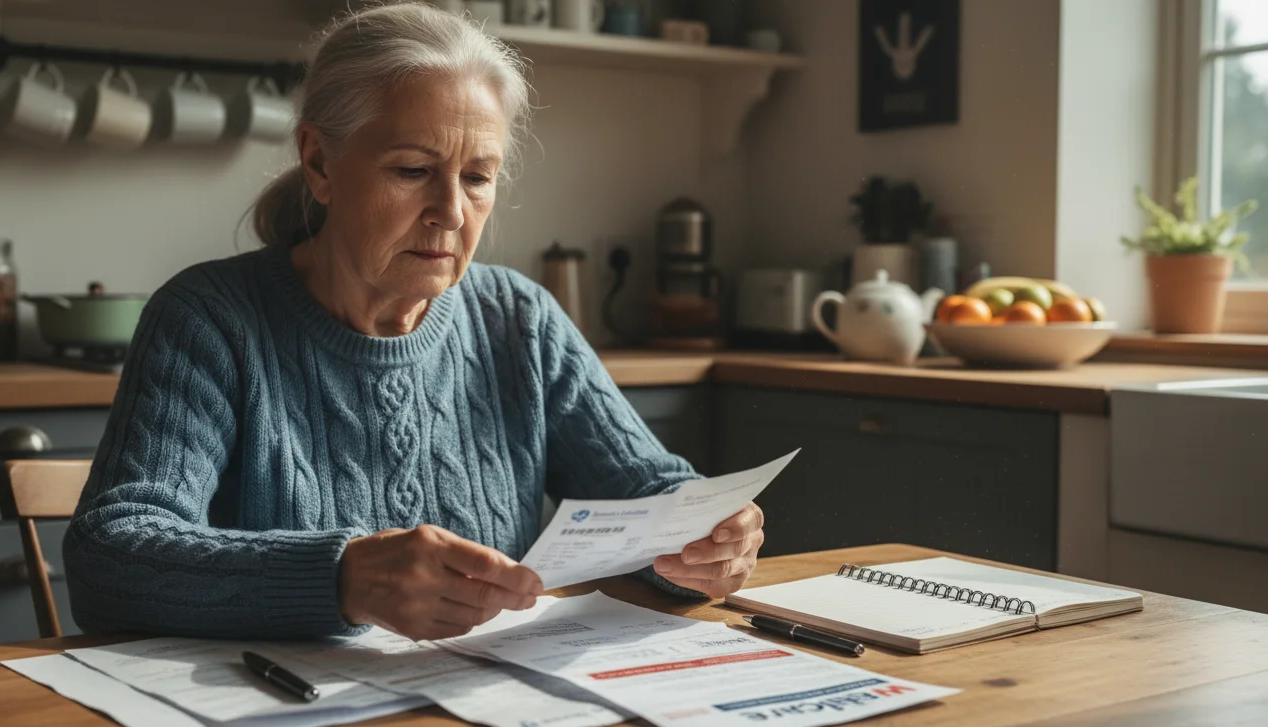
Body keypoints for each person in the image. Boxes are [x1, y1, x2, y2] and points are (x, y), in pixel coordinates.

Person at [63, 1, 765, 642]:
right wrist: (342, 578)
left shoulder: (519, 319)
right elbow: (110, 554)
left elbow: (649, 494)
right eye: (411, 170)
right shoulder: (211, 321)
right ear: (319, 162)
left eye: (477, 176)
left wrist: (705, 539)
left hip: (489, 719)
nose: (452, 213)